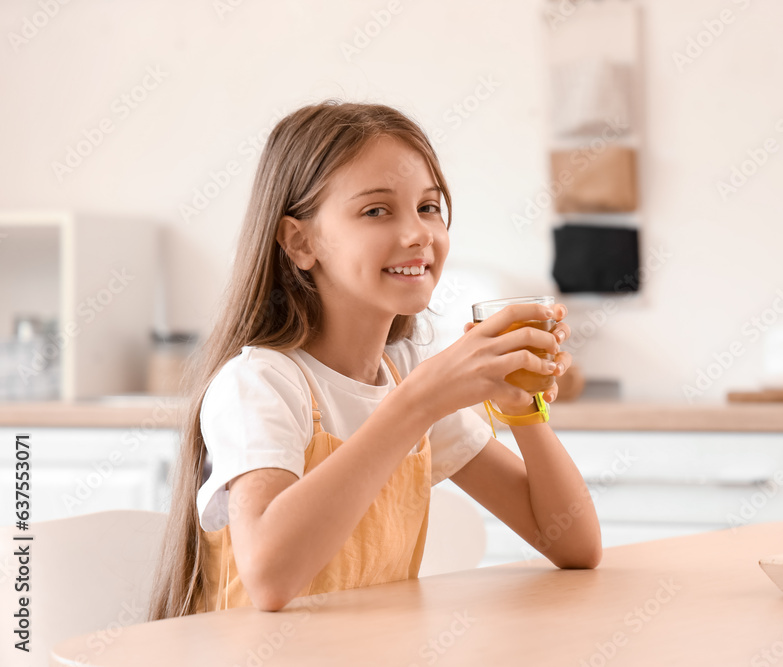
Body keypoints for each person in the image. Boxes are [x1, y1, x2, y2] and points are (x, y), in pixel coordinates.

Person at [148, 100, 601, 619]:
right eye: (376, 211)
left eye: (429, 207)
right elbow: (271, 579)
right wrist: (418, 403)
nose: (418, 235)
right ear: (299, 241)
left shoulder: (403, 374)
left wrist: (523, 408)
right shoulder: (261, 385)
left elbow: (573, 545)